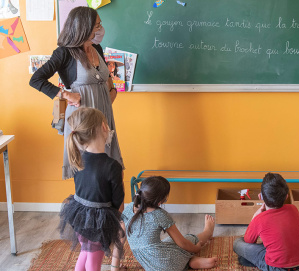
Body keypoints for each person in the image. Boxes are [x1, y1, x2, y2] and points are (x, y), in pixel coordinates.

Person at [29, 6, 124, 180]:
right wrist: (65, 94)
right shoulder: (64, 53)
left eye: (99, 24)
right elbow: (36, 80)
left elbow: (104, 74)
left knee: (109, 167)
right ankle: (89, 204)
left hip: (104, 113)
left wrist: (112, 89)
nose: (100, 28)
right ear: (84, 27)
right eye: (97, 25)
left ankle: (107, 205)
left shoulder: (97, 48)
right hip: (83, 116)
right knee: (87, 169)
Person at [58, 108, 125, 271]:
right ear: (104, 127)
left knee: (86, 252)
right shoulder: (112, 166)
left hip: (79, 216)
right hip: (99, 221)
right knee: (94, 261)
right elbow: (118, 200)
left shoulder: (78, 159)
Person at [122, 176, 218, 271]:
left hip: (150, 267)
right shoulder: (159, 215)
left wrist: (115, 268)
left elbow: (119, 239)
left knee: (166, 242)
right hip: (168, 263)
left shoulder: (128, 208)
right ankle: (207, 233)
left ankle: (189, 263)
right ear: (159, 201)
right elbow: (183, 243)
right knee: (189, 239)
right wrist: (197, 249)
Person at [233, 173, 299, 271]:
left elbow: (248, 240)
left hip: (277, 268)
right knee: (276, 245)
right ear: (286, 196)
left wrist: (254, 217)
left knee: (237, 243)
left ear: (260, 196)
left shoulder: (259, 219)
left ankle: (252, 261)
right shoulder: (294, 209)